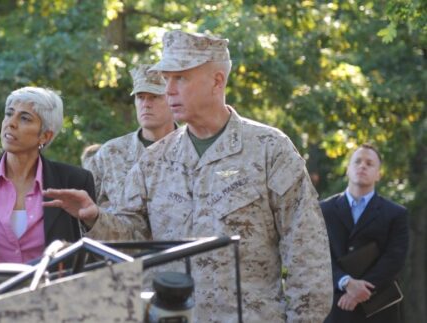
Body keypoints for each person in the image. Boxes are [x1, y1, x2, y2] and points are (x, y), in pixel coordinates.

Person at [43, 30, 332, 322]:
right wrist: (95, 218)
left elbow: (306, 248)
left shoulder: (270, 150)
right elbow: (133, 240)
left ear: (217, 81)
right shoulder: (154, 160)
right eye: (166, 78)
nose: (168, 89)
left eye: (180, 78)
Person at [0, 86, 95, 284]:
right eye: (9, 114)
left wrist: (92, 220)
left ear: (45, 136)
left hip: (54, 305)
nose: (11, 123)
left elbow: (92, 255)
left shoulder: (75, 181)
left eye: (24, 118)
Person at [321, 144, 409, 323]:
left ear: (378, 174)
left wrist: (359, 292)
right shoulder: (323, 210)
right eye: (357, 162)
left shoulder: (396, 213)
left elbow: (394, 258)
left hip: (379, 309)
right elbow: (317, 254)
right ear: (347, 169)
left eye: (370, 163)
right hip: (336, 306)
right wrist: (345, 282)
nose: (362, 166)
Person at [83, 64, 176, 212]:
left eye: (155, 97)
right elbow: (85, 211)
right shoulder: (110, 154)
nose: (146, 104)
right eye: (140, 97)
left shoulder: (190, 148)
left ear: (173, 99)